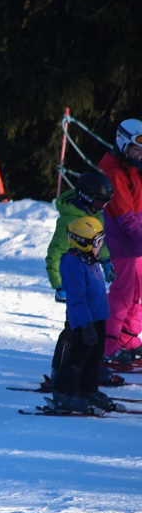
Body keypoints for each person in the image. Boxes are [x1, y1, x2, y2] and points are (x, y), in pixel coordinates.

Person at [44, 171, 115, 386]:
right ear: (86, 197)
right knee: (73, 329)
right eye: (100, 202)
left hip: (90, 278)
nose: (102, 207)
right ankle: (60, 372)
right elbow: (54, 254)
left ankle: (88, 369)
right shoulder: (69, 221)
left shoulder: (94, 213)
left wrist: (106, 260)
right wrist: (58, 284)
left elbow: (98, 242)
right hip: (74, 280)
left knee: (91, 328)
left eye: (105, 203)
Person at [50, 217, 112, 413]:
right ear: (84, 243)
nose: (100, 246)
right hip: (84, 323)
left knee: (94, 357)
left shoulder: (90, 260)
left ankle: (87, 389)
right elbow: (77, 300)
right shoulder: (74, 265)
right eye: (97, 242)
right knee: (77, 358)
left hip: (98, 318)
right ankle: (64, 394)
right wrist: (86, 326)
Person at [98, 119, 142, 364]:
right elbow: (126, 219)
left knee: (138, 293)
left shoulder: (134, 168)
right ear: (123, 144)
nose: (140, 154)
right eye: (136, 149)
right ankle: (108, 343)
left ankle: (127, 337)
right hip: (121, 245)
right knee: (122, 294)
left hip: (136, 245)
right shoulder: (115, 173)